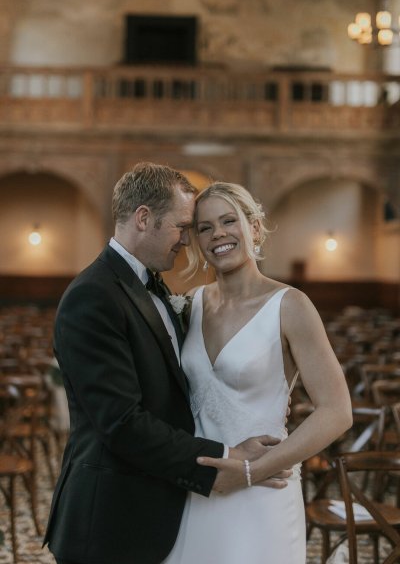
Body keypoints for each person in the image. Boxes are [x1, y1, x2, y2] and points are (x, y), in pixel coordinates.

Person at [43, 163, 290, 564]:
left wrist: (260, 394)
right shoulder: (93, 296)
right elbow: (122, 423)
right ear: (144, 218)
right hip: (109, 521)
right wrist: (225, 455)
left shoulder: (154, 287)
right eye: (182, 227)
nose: (187, 241)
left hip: (160, 508)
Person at [163, 181, 353, 564]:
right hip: (198, 489)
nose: (218, 233)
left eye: (229, 220)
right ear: (197, 239)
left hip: (262, 491)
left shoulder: (290, 305)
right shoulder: (191, 305)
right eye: (204, 227)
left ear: (254, 227)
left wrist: (250, 472)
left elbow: (337, 412)